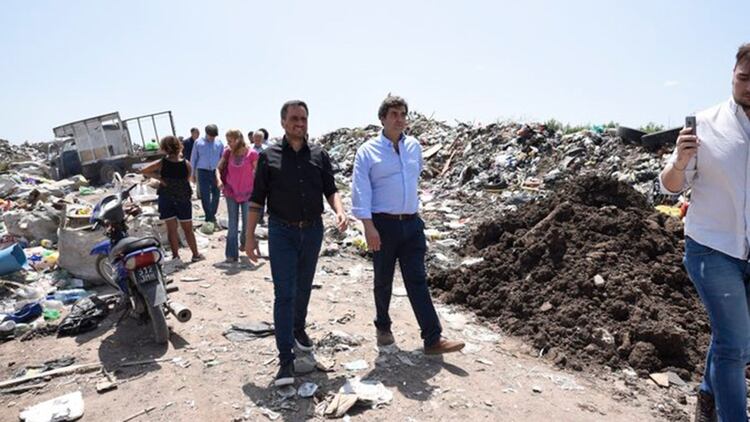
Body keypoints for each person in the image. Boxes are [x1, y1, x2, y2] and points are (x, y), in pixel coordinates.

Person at [659, 43, 750, 422]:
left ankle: (707, 396)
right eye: (744, 78)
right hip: (711, 249)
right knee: (734, 347)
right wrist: (680, 160)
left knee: (731, 335)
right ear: (732, 75)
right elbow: (669, 186)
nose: (749, 86)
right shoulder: (706, 124)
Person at [352, 95, 465, 355]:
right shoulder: (367, 151)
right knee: (383, 280)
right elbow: (361, 191)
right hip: (383, 225)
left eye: (403, 114)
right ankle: (383, 325)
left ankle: (433, 339)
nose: (399, 119)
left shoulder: (414, 147)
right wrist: (368, 226)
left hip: (412, 224)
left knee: (417, 280)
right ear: (382, 118)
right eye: (393, 114)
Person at [245, 100, 347, 387]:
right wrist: (249, 237)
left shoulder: (319, 154)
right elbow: (256, 200)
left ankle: (298, 329)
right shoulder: (269, 156)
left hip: (313, 231)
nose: (299, 123)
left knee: (303, 288)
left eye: (303, 118)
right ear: (283, 122)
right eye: (294, 119)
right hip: (282, 232)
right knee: (284, 294)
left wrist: (339, 210)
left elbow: (331, 189)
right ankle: (285, 362)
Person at [141, 136, 204, 263]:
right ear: (179, 147)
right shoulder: (186, 164)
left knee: (172, 229)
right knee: (188, 229)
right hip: (183, 198)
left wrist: (161, 179)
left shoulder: (162, 162)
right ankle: (195, 254)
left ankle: (176, 256)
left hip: (166, 197)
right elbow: (186, 179)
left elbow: (144, 170)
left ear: (164, 148)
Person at [217, 129, 259, 264]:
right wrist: (219, 180)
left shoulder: (251, 154)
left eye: (230, 140)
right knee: (232, 223)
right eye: (227, 141)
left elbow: (258, 173)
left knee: (248, 223)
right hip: (231, 192)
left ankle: (245, 244)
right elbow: (218, 168)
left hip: (248, 193)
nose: (228, 143)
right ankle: (231, 254)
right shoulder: (228, 152)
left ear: (238, 139)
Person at [190, 124, 224, 226]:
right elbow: (193, 158)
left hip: (215, 172)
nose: (212, 137)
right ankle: (208, 216)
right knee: (204, 195)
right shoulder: (198, 142)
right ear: (206, 133)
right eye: (211, 135)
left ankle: (211, 214)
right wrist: (192, 174)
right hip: (202, 171)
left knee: (216, 194)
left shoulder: (219, 143)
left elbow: (222, 159)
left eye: (214, 136)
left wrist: (223, 174)